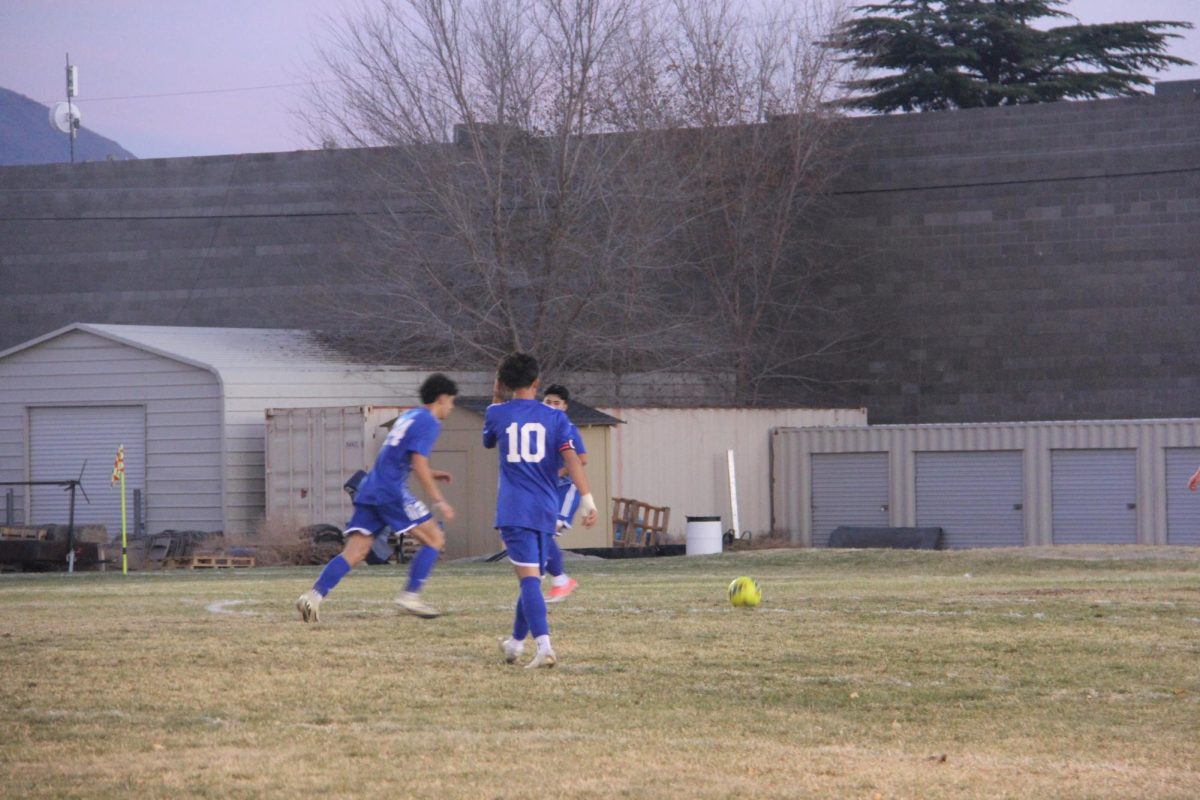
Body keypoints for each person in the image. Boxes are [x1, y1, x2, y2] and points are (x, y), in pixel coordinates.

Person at [296, 373, 458, 622]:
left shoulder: (408, 416)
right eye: (451, 401)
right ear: (442, 398)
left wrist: (432, 473)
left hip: (370, 487)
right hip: (390, 491)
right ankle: (410, 595)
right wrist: (439, 500)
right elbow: (417, 460)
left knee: (355, 552)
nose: (451, 407)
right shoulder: (428, 421)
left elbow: (402, 458)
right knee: (435, 539)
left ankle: (314, 596)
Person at [484, 353, 597, 668]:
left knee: (529, 580)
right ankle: (515, 644)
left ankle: (544, 646)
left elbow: (489, 439)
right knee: (531, 574)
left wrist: (496, 394)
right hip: (546, 508)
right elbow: (573, 459)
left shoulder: (497, 413)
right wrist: (588, 499)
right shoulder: (557, 417)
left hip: (514, 508)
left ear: (505, 382)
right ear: (536, 382)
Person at [541, 384, 587, 603]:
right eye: (548, 402)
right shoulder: (540, 427)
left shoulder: (567, 427)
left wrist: (557, 473)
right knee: (539, 533)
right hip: (546, 490)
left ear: (565, 406)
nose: (551, 406)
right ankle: (549, 580)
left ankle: (559, 580)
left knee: (546, 532)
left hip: (565, 490)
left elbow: (582, 459)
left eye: (556, 403)